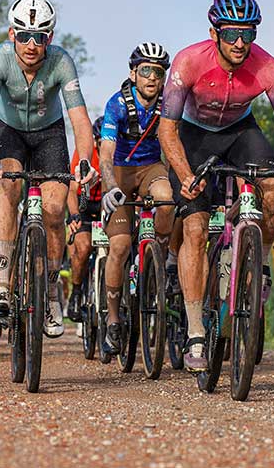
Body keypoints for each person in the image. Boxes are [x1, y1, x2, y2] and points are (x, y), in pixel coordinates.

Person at [159, 0, 274, 371]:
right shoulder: (188, 62)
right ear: (215, 33)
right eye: (231, 34)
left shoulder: (267, 68)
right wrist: (185, 176)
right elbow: (167, 130)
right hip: (193, 136)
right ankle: (196, 331)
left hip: (240, 130)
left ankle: (257, 261)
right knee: (195, 227)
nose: (241, 43)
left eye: (249, 33)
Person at [0, 0, 96, 339]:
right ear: (12, 33)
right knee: (7, 187)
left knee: (55, 208)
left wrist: (84, 158)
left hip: (49, 134)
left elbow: (81, 121)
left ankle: (51, 292)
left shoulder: (61, 62)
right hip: (9, 132)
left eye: (40, 36)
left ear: (50, 38)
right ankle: (1, 281)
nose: (32, 44)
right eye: (25, 35)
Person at [100, 42, 175, 355]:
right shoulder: (116, 105)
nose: (152, 78)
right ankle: (114, 320)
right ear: (133, 73)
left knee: (167, 201)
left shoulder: (170, 104)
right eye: (145, 70)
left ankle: (161, 258)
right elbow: (105, 155)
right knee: (118, 246)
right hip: (120, 170)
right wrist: (109, 186)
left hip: (151, 168)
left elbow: (173, 146)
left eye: (158, 72)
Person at [66, 116, 104, 325]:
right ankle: (77, 291)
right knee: (83, 247)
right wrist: (73, 216)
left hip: (107, 206)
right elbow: (72, 190)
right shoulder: (84, 156)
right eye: (100, 140)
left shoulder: (120, 154)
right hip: (84, 206)